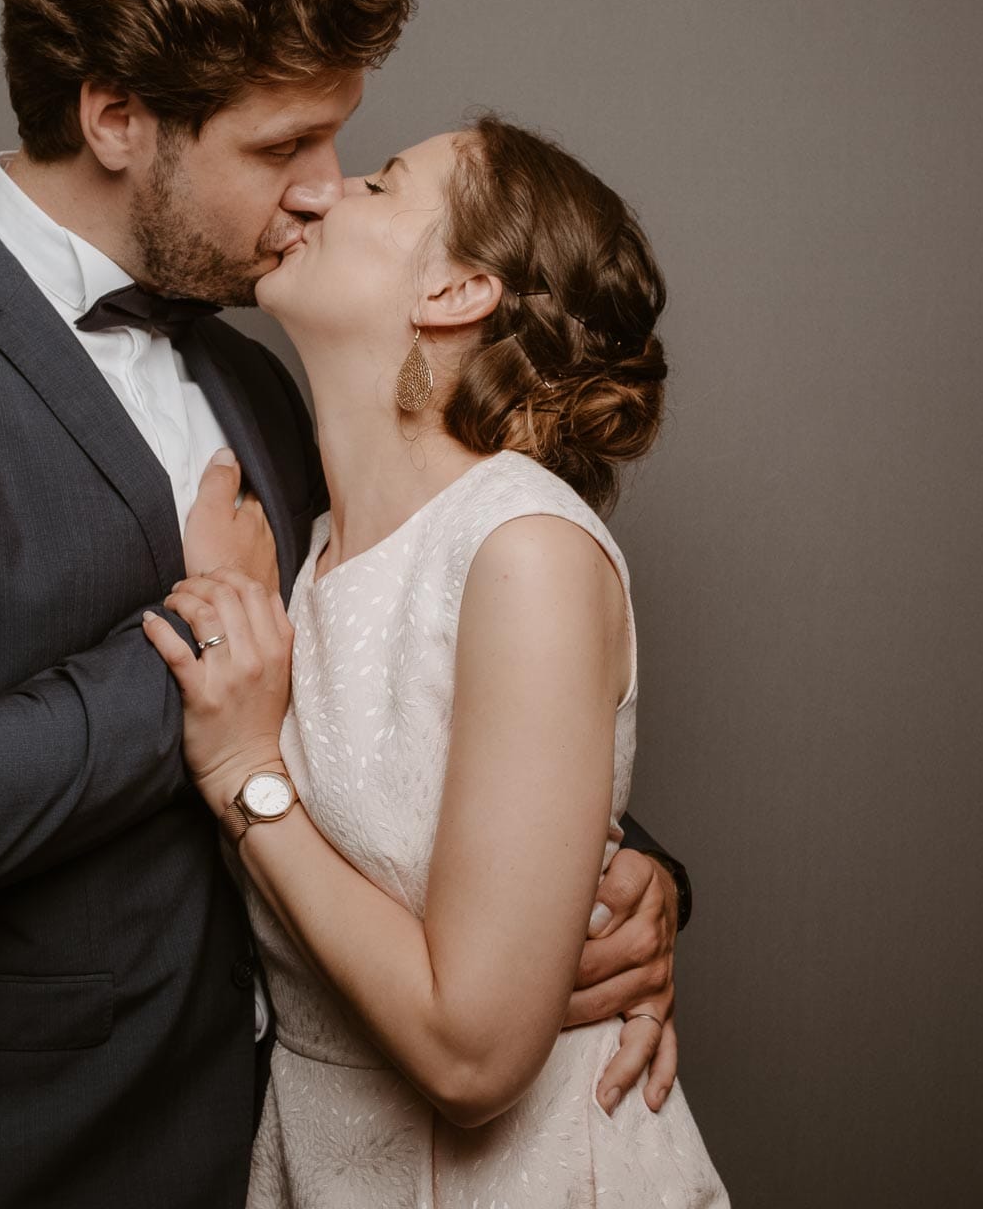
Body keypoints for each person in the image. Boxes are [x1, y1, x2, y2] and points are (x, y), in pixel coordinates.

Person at [0, 0, 692, 1205]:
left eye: (337, 145)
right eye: (281, 146)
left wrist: (633, 877)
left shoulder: (262, 379)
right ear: (117, 116)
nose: (317, 190)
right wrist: (202, 638)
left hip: (267, 1147)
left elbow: (398, 683)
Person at [143, 116, 727, 1204]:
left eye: (374, 182)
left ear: (457, 290)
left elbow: (474, 1055)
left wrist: (242, 776)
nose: (316, 193)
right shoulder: (308, 558)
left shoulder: (525, 551)